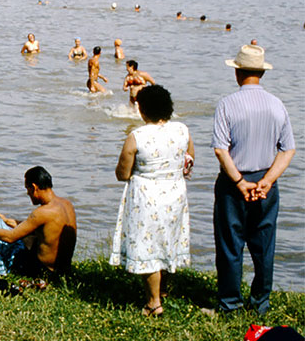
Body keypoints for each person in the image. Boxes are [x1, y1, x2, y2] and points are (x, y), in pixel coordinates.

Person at [211, 44, 295, 315]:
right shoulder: (277, 105)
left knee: (229, 245)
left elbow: (221, 149)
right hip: (265, 183)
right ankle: (260, 303)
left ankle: (230, 304)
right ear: (261, 73)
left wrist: (238, 181)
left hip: (234, 182)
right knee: (264, 246)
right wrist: (268, 180)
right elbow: (288, 149)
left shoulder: (227, 104)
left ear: (237, 72)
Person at [110, 85, 193, 316]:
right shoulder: (182, 131)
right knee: (167, 239)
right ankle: (163, 290)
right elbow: (189, 160)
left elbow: (123, 173)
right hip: (175, 192)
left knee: (148, 245)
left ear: (142, 110)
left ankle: (153, 302)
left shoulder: (137, 136)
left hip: (146, 195)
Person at [0, 167, 77, 276]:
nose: (27, 193)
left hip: (44, 271)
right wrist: (8, 221)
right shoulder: (67, 204)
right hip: (63, 269)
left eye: (27, 189)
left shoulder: (42, 212)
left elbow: (10, 237)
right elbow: (38, 227)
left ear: (34, 187)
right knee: (20, 234)